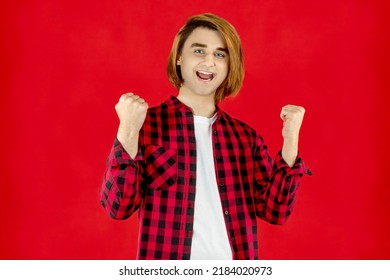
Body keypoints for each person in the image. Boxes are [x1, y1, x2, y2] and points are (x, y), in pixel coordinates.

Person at [100, 13, 311, 260]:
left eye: (220, 54)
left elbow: (276, 212)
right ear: (179, 57)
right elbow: (117, 207)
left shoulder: (246, 138)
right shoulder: (145, 125)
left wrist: (290, 141)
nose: (209, 62)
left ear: (229, 65)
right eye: (199, 51)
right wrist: (127, 129)